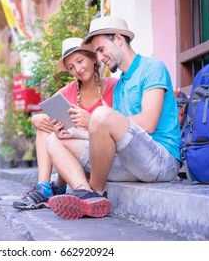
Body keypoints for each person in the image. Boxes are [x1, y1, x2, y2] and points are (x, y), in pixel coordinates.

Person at [47, 16, 181, 219]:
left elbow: (148, 123)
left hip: (161, 161)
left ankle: (96, 191)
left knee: (101, 114)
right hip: (131, 161)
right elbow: (115, 134)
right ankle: (85, 193)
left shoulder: (152, 67)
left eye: (101, 50)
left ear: (119, 39)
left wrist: (92, 119)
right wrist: (73, 133)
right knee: (55, 140)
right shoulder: (120, 86)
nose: (100, 59)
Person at [13, 37, 118, 210]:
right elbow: (48, 118)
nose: (78, 69)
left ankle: (59, 186)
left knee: (60, 136)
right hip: (76, 153)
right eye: (71, 67)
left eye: (80, 61)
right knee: (45, 126)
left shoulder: (114, 86)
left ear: (93, 58)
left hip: (103, 153)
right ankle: (44, 187)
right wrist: (36, 119)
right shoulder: (66, 92)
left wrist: (88, 122)